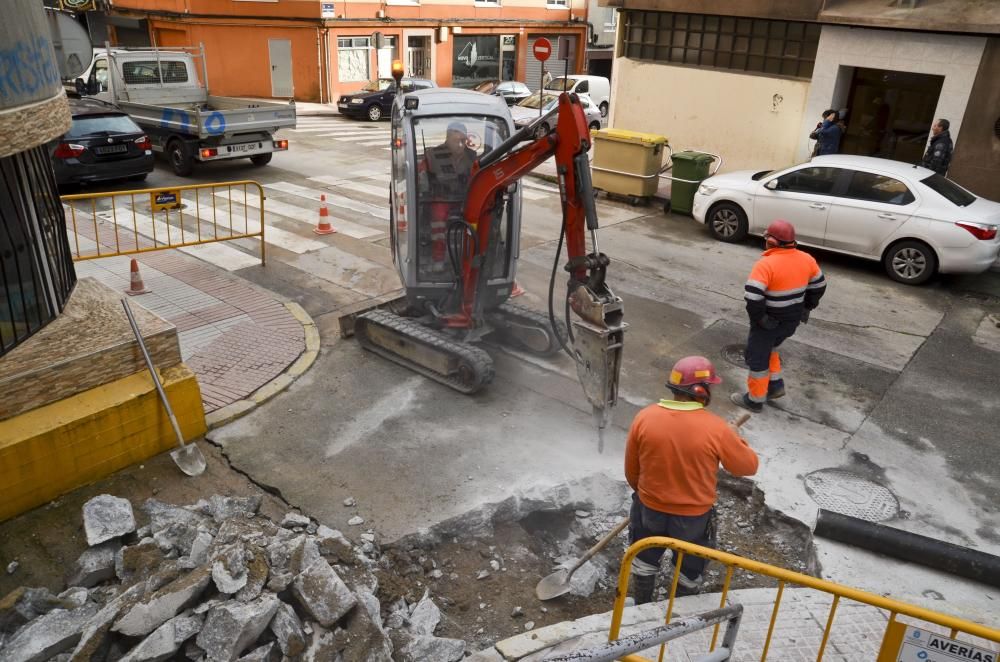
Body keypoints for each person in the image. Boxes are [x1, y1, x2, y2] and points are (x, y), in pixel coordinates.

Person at [625, 356, 759, 604]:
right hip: (692, 518)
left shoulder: (644, 417)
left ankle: (641, 606)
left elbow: (632, 471)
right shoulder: (716, 429)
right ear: (701, 390)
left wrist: (646, 496)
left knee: (644, 555)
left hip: (649, 508)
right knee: (690, 565)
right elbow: (747, 466)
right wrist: (736, 437)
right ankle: (680, 608)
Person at [731, 220, 826, 413]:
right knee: (771, 348)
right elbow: (819, 286)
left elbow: (753, 296)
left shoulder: (766, 264)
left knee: (757, 358)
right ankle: (775, 387)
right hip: (791, 322)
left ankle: (754, 400)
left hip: (769, 322)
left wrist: (760, 319)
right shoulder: (807, 259)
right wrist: (807, 306)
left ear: (772, 242)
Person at [418, 122, 477, 273]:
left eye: (462, 141)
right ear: (447, 138)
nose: (459, 145)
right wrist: (423, 179)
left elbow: (479, 175)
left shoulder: (472, 156)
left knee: (477, 219)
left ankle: (473, 258)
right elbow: (420, 173)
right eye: (455, 140)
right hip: (442, 197)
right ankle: (438, 258)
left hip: (465, 197)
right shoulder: (433, 154)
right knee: (438, 219)